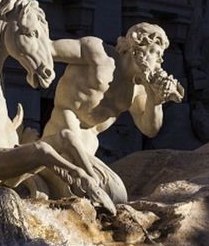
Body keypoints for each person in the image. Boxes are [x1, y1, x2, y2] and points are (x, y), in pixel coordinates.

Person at [37, 23, 184, 204]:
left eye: (161, 56)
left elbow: (150, 129)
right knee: (97, 190)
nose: (160, 61)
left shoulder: (137, 89)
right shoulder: (97, 53)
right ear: (136, 47)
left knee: (114, 194)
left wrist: (156, 99)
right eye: (155, 52)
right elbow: (46, 48)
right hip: (62, 129)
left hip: (89, 143)